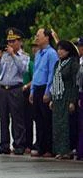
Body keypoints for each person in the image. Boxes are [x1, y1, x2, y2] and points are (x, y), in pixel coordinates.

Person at [0, 28, 29, 155]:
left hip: (15, 88)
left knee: (17, 118)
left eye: (13, 41)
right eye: (9, 41)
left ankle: (19, 144)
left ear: (20, 41)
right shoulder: (5, 55)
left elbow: (23, 70)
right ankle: (4, 145)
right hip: (3, 88)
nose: (11, 44)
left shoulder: (23, 56)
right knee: (3, 118)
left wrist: (13, 54)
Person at [30, 28, 59, 157]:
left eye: (39, 35)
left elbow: (52, 73)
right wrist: (32, 90)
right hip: (37, 87)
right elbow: (35, 73)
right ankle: (40, 146)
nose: (36, 38)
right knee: (38, 119)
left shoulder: (51, 54)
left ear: (47, 38)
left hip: (45, 88)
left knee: (47, 119)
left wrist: (48, 91)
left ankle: (49, 147)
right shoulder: (38, 54)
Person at [50, 40, 80, 159]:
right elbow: (54, 81)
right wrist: (52, 98)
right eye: (58, 49)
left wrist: (72, 101)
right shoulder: (57, 64)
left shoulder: (73, 63)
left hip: (67, 96)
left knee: (66, 125)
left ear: (68, 51)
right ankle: (59, 150)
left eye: (62, 49)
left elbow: (75, 83)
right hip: (58, 97)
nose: (59, 51)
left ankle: (67, 150)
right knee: (57, 125)